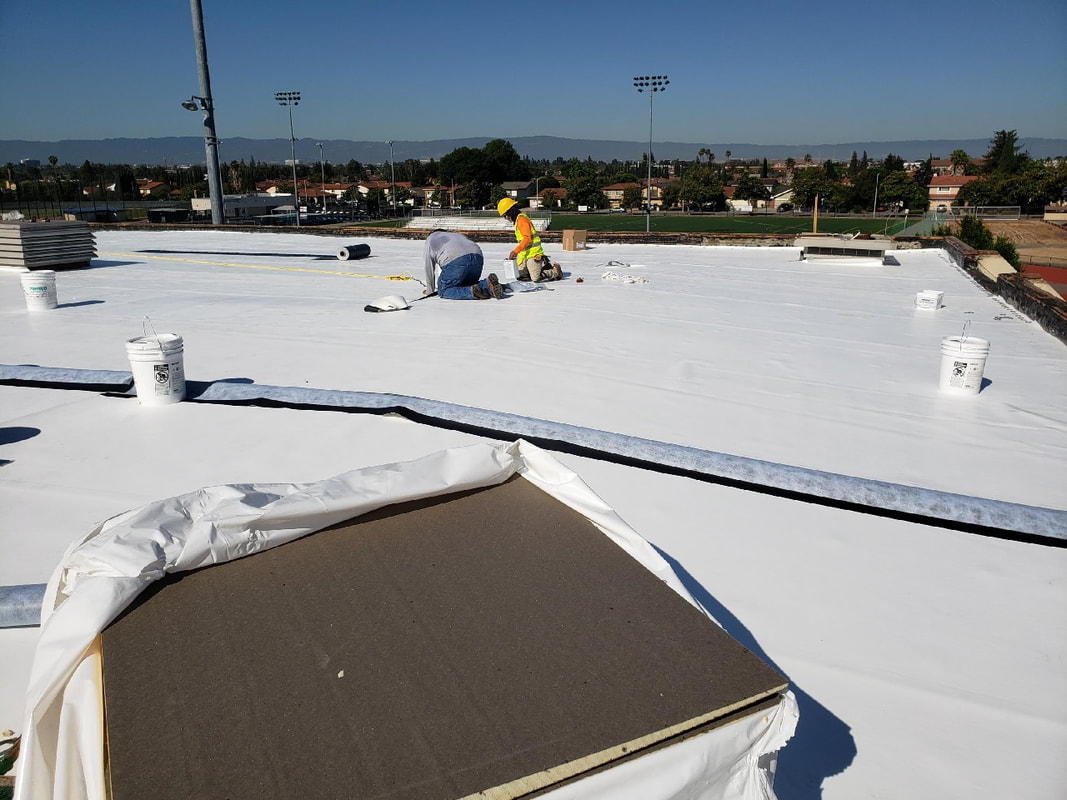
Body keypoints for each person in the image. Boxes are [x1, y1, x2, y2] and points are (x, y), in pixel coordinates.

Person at [422, 229, 503, 300]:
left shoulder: (430, 239)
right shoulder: (455, 235)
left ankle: (472, 292)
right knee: (465, 284)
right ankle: (487, 284)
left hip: (457, 260)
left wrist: (430, 290)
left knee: (444, 290)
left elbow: (429, 268)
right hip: (477, 258)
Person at [496, 198, 562, 282]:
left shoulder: (522, 220)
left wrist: (516, 251)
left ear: (510, 211)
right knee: (519, 275)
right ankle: (540, 268)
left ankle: (555, 271)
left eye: (505, 215)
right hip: (525, 255)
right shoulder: (518, 220)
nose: (506, 218)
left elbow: (527, 238)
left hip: (534, 254)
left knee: (535, 278)